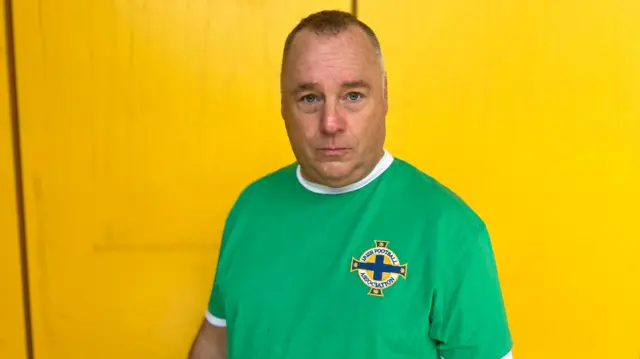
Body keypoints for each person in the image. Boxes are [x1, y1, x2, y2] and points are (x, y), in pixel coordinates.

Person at [188, 9, 513, 359]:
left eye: (353, 96)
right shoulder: (251, 208)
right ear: (283, 104)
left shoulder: (451, 230)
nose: (330, 122)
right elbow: (215, 342)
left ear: (385, 96)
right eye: (309, 98)